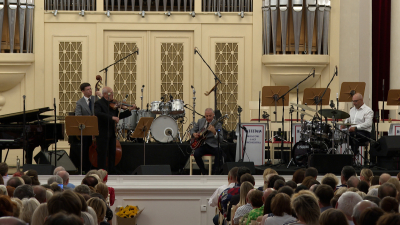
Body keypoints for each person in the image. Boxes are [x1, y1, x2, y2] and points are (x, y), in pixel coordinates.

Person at [94, 86, 136, 173]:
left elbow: (118, 117)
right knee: (102, 154)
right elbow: (98, 113)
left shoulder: (113, 104)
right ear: (105, 94)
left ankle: (111, 171)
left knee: (112, 154)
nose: (113, 95)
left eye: (113, 93)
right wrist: (111, 117)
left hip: (112, 132)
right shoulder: (99, 103)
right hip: (102, 133)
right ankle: (101, 172)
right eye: (111, 93)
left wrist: (129, 110)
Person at [190, 108, 223, 175]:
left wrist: (214, 132)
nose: (208, 118)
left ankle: (215, 172)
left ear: (213, 115)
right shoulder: (200, 121)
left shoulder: (218, 124)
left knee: (219, 151)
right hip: (202, 145)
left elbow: (221, 139)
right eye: (206, 116)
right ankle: (204, 172)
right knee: (196, 153)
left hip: (212, 146)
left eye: (210, 116)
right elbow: (192, 130)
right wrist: (194, 134)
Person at [75, 83, 98, 173]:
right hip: (86, 131)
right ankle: (86, 168)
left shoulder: (95, 99)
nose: (90, 90)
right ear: (83, 91)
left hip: (95, 130)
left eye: (90, 89)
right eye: (88, 89)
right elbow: (78, 116)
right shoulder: (79, 102)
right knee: (86, 150)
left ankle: (95, 167)